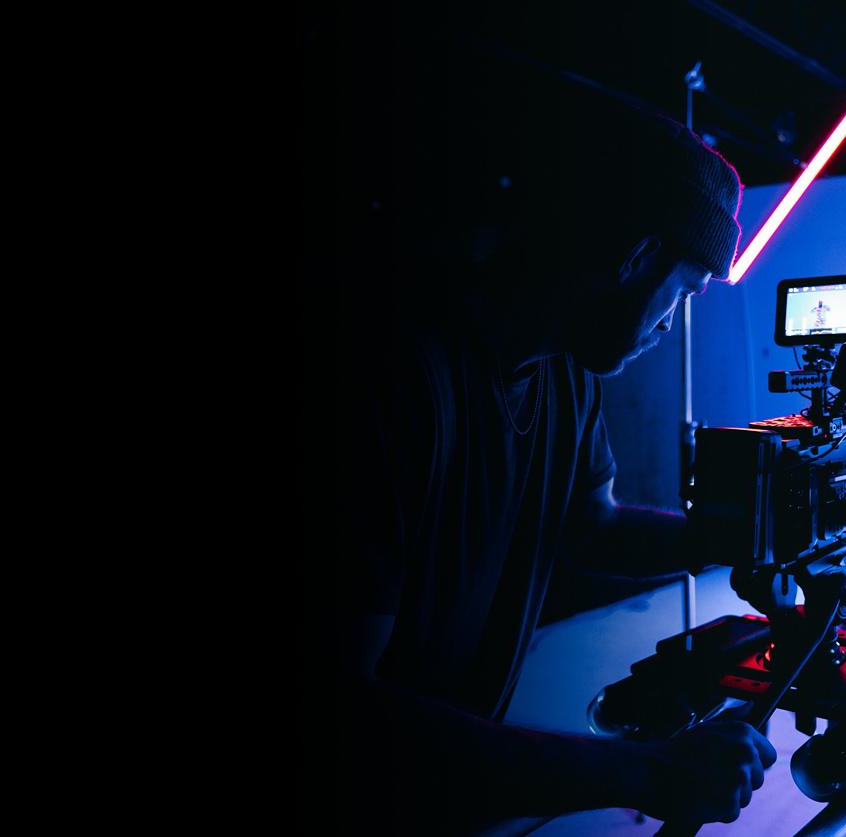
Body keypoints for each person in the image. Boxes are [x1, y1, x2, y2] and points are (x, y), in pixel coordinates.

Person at [331, 47, 777, 836]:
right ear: (635, 255)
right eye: (681, 292)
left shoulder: (565, 375)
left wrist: (733, 535)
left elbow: (588, 525)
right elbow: (343, 706)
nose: (672, 321)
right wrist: (644, 770)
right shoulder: (394, 377)